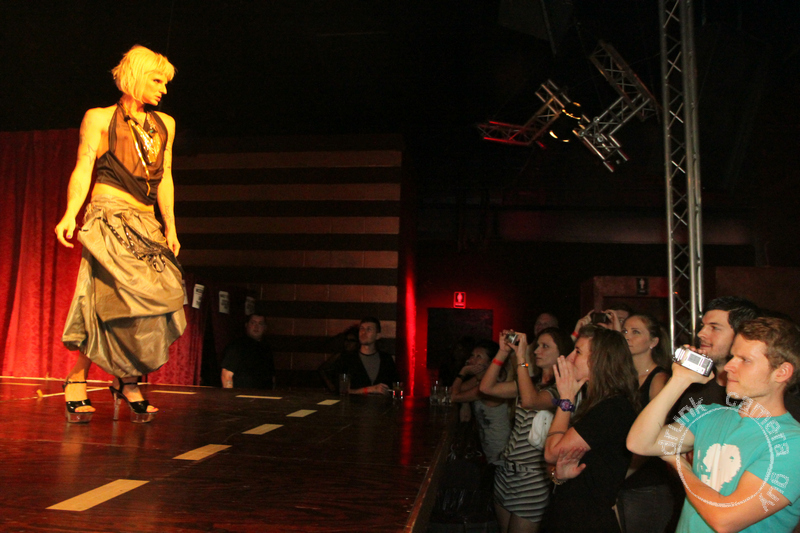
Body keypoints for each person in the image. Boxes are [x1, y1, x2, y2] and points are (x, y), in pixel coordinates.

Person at [55, 45, 184, 424]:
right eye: (157, 80)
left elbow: (165, 177)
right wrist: (70, 213)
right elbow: (83, 166)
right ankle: (78, 379)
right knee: (105, 301)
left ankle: (126, 381)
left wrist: (170, 225)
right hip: (109, 215)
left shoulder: (165, 124)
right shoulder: (99, 118)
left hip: (146, 224)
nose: (163, 89)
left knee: (149, 303)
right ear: (135, 76)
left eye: (165, 82)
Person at [627, 317, 800, 532]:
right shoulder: (710, 415)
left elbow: (725, 520)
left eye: (745, 360)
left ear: (782, 372)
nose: (728, 366)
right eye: (732, 356)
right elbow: (640, 443)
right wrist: (679, 380)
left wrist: (680, 465)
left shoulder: (791, 443)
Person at [543, 326, 640, 533]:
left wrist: (566, 400)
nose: (569, 358)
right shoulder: (596, 403)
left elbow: (552, 452)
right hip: (571, 514)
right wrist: (558, 476)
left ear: (599, 360)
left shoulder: (613, 408)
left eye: (578, 352)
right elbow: (557, 466)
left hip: (587, 521)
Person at [480, 327, 574, 533]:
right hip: (506, 471)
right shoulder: (531, 384)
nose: (537, 351)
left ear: (562, 353)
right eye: (537, 345)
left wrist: (521, 359)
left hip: (532, 477)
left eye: (545, 346)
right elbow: (486, 388)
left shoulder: (562, 391)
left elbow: (531, 401)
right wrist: (503, 352)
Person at [617, 314, 675, 533]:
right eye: (624, 331)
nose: (627, 337)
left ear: (653, 341)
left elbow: (657, 434)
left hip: (645, 483)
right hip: (621, 476)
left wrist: (623, 473)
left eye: (636, 332)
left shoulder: (659, 378)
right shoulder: (622, 377)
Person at [450, 339, 510, 466]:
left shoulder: (490, 385)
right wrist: (465, 403)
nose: (472, 360)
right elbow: (452, 392)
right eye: (472, 355)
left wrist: (463, 372)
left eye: (479, 357)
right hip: (488, 447)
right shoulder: (479, 379)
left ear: (490, 363)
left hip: (500, 450)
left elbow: (453, 397)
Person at [325, 317, 399, 395]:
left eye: (369, 329)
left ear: (377, 335)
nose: (363, 332)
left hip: (381, 403)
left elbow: (395, 386)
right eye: (362, 329)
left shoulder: (386, 359)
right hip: (354, 403)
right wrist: (369, 390)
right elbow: (340, 390)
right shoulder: (347, 359)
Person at [221, 313, 276, 389]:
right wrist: (230, 395)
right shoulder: (237, 346)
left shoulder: (266, 348)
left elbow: (272, 376)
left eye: (260, 323)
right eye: (253, 323)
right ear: (246, 325)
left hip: (264, 394)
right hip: (242, 394)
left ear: (265, 327)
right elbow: (226, 375)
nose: (256, 327)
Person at [318, 325, 359, 392]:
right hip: (340, 391)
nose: (348, 343)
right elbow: (322, 369)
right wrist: (330, 385)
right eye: (346, 340)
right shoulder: (340, 355)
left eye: (352, 341)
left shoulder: (360, 357)